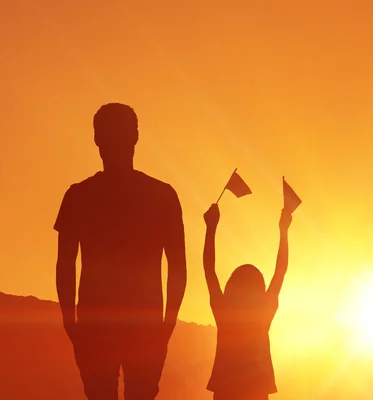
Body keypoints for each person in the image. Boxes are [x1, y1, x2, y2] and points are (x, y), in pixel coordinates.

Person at [54, 103, 187, 400]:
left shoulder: (79, 196)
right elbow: (178, 266)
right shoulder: (162, 195)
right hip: (133, 326)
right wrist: (167, 324)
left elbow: (65, 264)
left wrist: (70, 321)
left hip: (105, 326)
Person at [203, 203, 292, 400]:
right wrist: (283, 231)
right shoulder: (263, 314)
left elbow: (209, 270)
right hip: (257, 389)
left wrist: (211, 228)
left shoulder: (224, 312)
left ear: (231, 288)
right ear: (259, 291)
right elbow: (280, 271)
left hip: (225, 388)